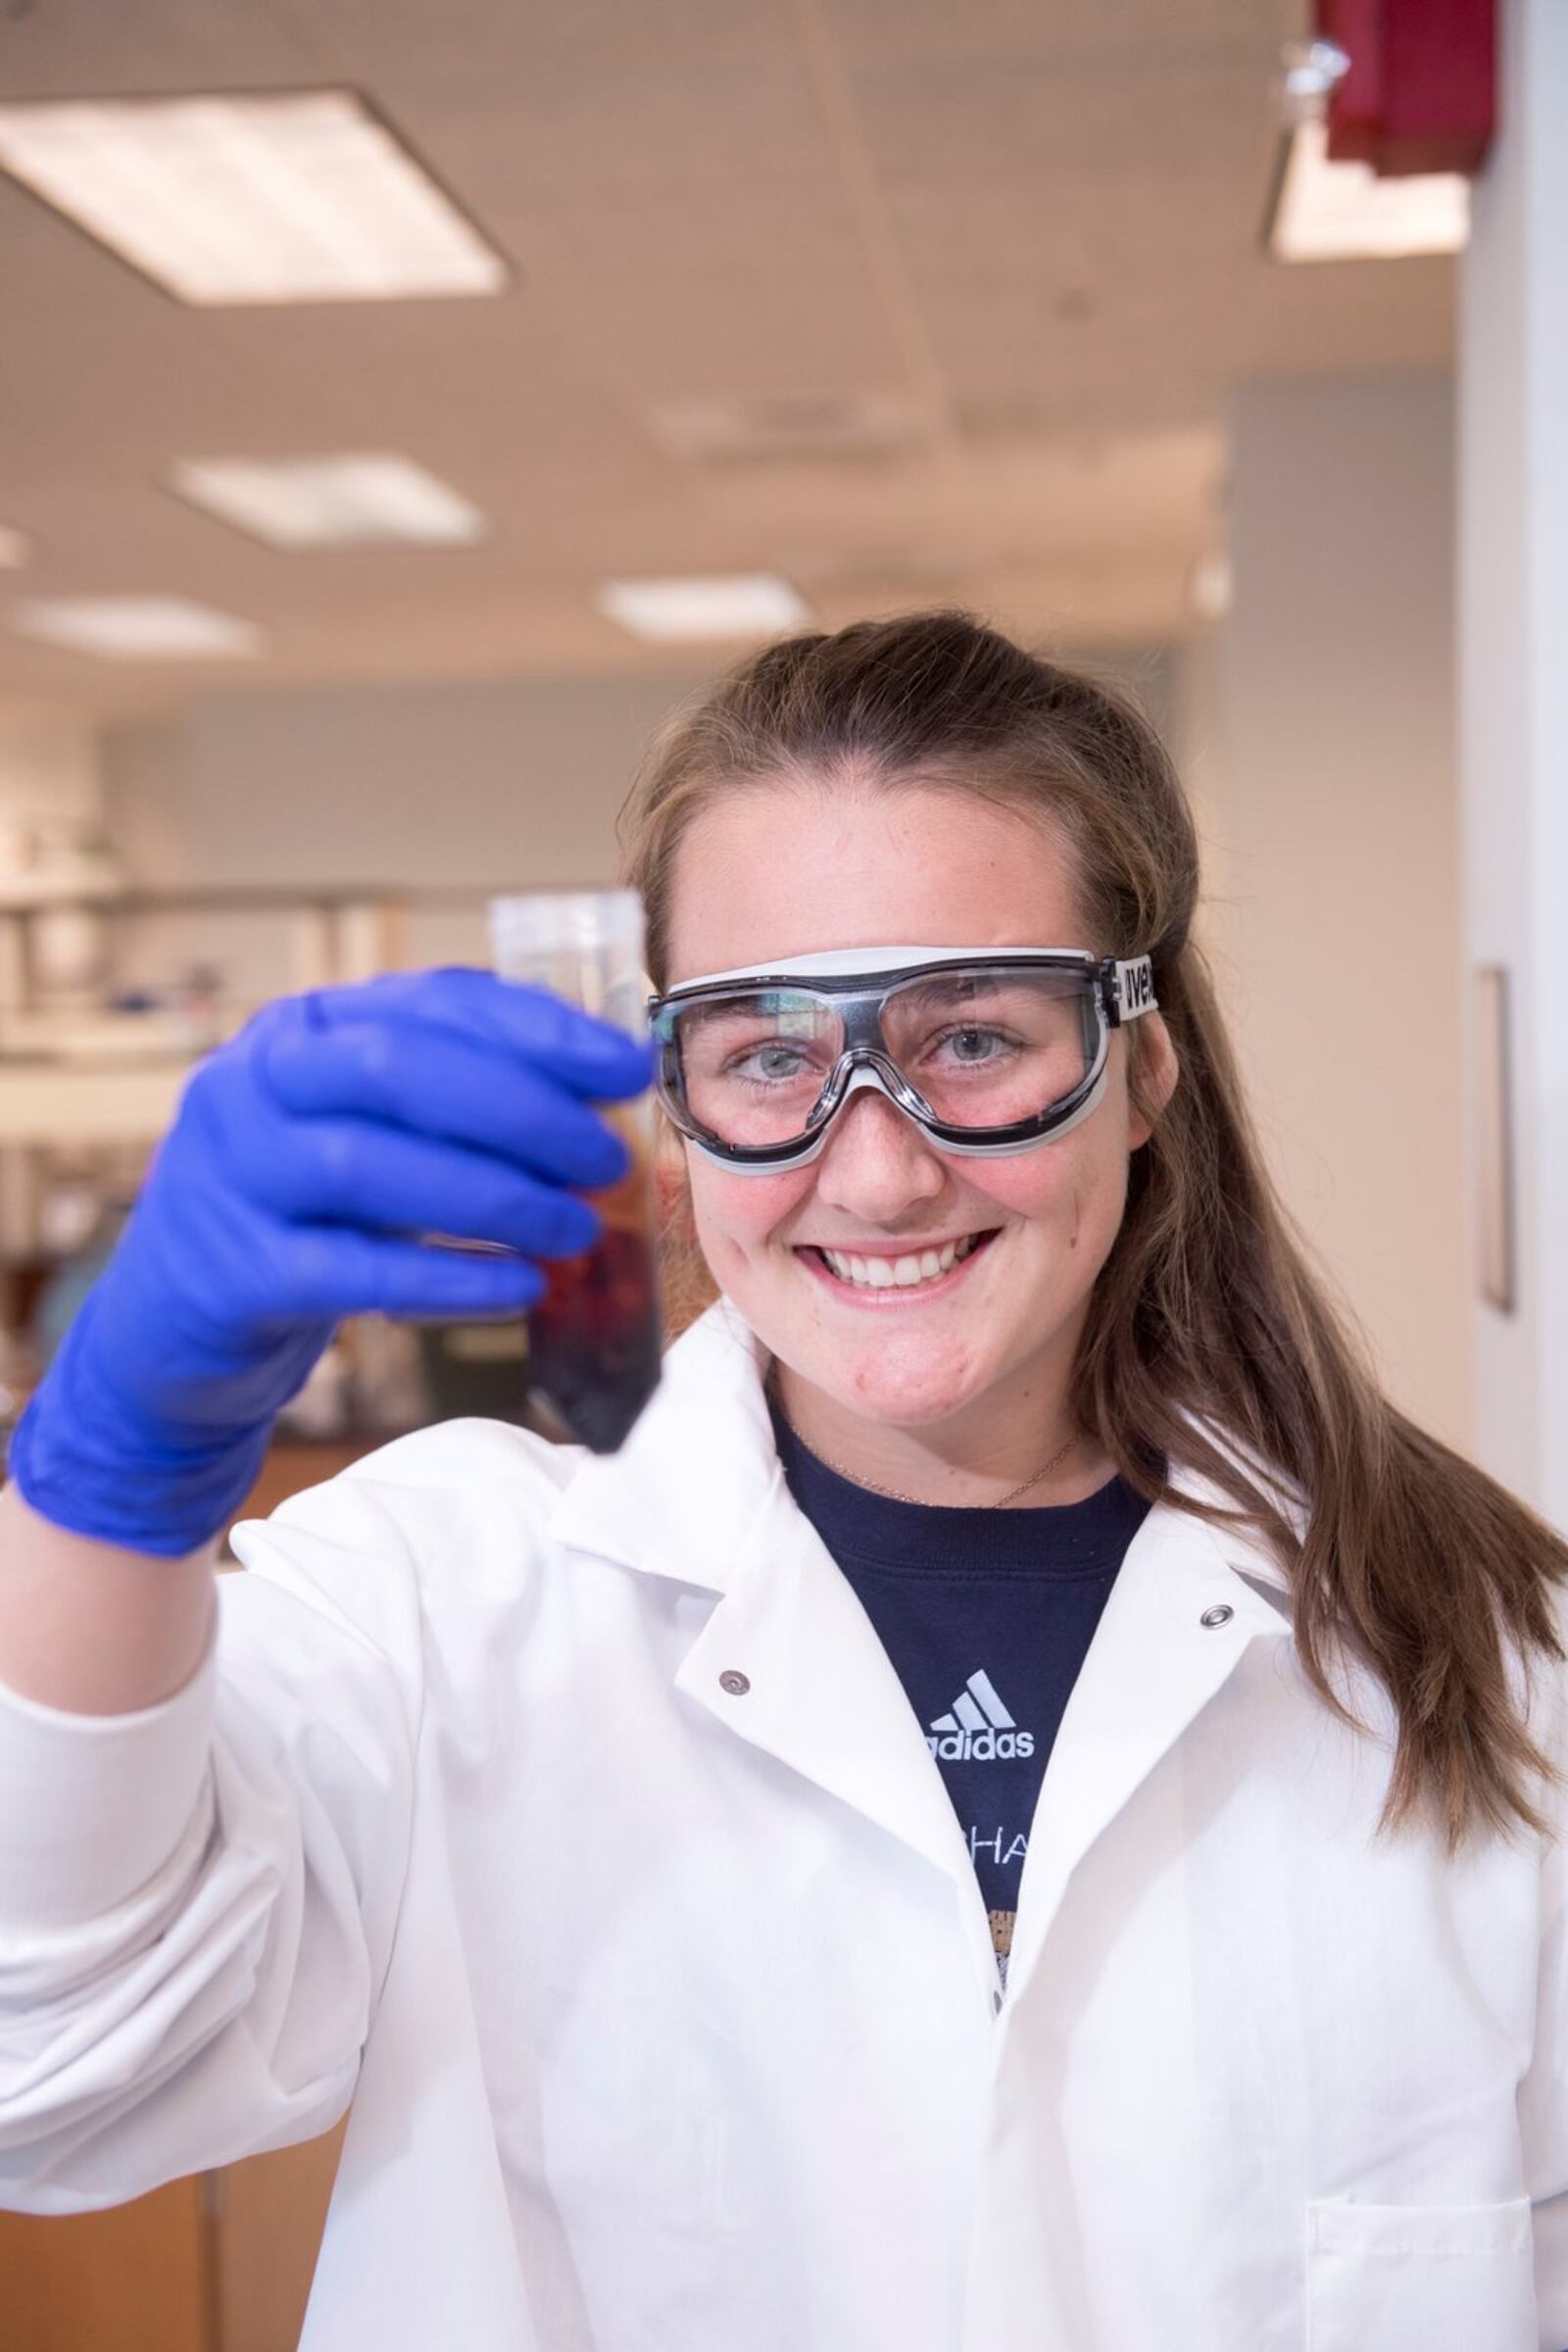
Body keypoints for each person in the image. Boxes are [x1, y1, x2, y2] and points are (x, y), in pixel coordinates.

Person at [0, 612, 1563, 2352]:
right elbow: (41, 2068)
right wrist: (109, 1472)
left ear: (1143, 1067)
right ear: (674, 1093)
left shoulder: (1490, 1658)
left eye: (975, 1037)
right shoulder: (452, 1603)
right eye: (766, 1055)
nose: (878, 1169)